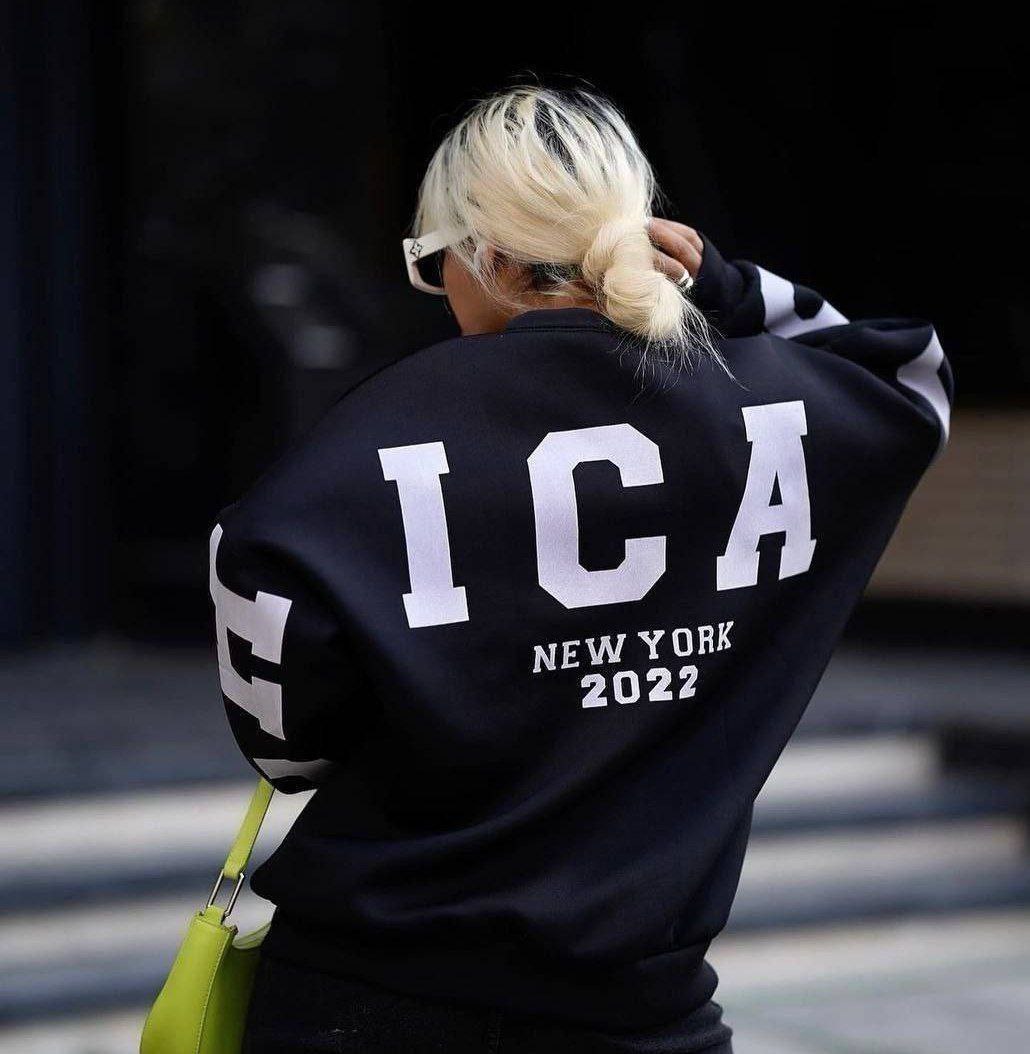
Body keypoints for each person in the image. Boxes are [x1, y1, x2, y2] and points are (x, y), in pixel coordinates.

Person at [210, 86, 953, 1052]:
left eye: (433, 263)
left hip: (365, 1002)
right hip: (644, 1017)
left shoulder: (358, 444)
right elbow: (914, 377)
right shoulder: (776, 415)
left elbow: (287, 751)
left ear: (490, 255)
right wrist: (724, 286)